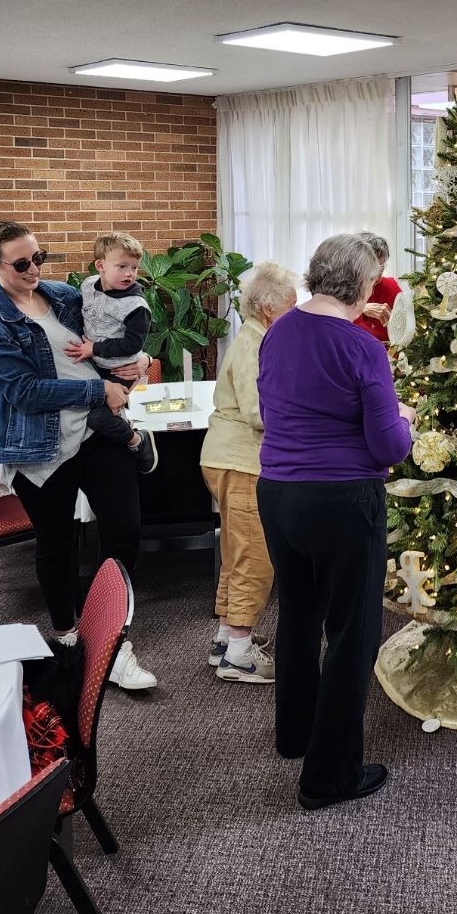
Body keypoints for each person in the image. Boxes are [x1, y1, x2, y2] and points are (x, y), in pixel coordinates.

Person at [257, 234, 415, 810]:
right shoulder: (360, 346)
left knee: (299, 613)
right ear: (365, 285)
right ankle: (330, 776)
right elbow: (388, 447)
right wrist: (407, 420)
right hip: (343, 498)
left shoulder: (279, 331)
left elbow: (277, 407)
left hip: (277, 493)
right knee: (353, 632)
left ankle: (295, 734)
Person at [0, 220, 157, 689]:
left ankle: (115, 637)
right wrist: (100, 389)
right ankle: (69, 637)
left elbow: (110, 338)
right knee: (56, 544)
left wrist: (141, 361)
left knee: (125, 529)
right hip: (39, 445)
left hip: (93, 432)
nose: (34, 269)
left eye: (39, 257)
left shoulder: (65, 296)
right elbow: (24, 392)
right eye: (21, 263)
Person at [201, 260, 298, 683]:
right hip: (243, 461)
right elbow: (261, 412)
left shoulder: (255, 338)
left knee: (237, 553)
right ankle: (239, 655)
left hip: (230, 457)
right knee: (256, 557)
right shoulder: (255, 346)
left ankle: (227, 639)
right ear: (267, 308)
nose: (296, 315)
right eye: (291, 307)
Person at [65, 231, 158, 475]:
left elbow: (131, 345)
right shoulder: (87, 285)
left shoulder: (136, 307)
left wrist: (93, 348)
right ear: (101, 266)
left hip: (121, 369)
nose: (129, 274)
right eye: (122, 266)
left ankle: (137, 441)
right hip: (94, 366)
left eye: (135, 267)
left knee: (97, 419)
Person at [353, 233, 401, 344]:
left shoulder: (390, 286)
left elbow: (404, 328)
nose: (378, 274)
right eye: (373, 267)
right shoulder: (341, 289)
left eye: (382, 266)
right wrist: (361, 309)